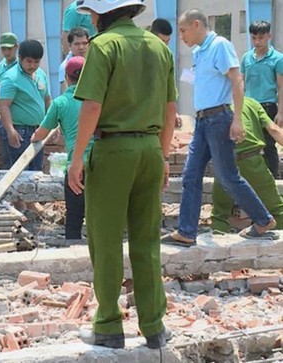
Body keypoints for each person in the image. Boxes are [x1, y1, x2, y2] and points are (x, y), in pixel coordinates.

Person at [66, 0, 177, 349]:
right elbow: (170, 108)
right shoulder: (159, 47)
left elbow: (93, 105)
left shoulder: (104, 45)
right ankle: (154, 326)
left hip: (114, 150)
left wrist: (77, 156)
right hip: (149, 149)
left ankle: (109, 326)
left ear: (102, 14)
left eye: (93, 14)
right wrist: (163, 154)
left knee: (107, 240)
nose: (93, 20)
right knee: (147, 241)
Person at [162, 9, 277, 247]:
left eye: (183, 30)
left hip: (219, 118)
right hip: (203, 121)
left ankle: (263, 220)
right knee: (190, 175)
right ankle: (186, 231)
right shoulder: (199, 52)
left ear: (196, 25)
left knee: (227, 176)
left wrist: (237, 120)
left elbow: (237, 80)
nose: (181, 36)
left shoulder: (220, 45)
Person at [31, 56, 91, 243]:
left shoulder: (60, 103)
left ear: (66, 77)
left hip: (76, 166)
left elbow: (41, 133)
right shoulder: (97, 101)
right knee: (99, 215)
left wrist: (34, 137)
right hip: (102, 162)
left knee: (74, 216)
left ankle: (73, 253)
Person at [212, 98, 283, 233]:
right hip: (252, 161)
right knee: (276, 209)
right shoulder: (251, 103)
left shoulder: (214, 105)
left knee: (220, 215)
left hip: (225, 161)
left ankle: (217, 247)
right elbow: (273, 129)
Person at [0, 39, 51, 171]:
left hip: (38, 131)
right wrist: (10, 131)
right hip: (19, 131)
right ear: (20, 58)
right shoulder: (10, 78)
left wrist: (51, 124)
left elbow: (47, 100)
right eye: (29, 61)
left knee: (36, 171)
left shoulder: (41, 75)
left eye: (36, 62)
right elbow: (4, 106)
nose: (32, 65)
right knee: (18, 173)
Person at [241, 21, 283, 177]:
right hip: (249, 107)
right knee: (249, 145)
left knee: (269, 144)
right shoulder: (246, 58)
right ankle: (252, 177)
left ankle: (272, 176)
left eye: (261, 38)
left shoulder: (278, 59)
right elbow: (241, 83)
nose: (257, 42)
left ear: (269, 36)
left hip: (268, 106)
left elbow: (281, 86)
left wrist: (281, 111)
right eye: (254, 38)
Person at [0, 32, 19, 168]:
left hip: (18, 119)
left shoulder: (20, 67)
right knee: (7, 159)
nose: (6, 52)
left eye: (9, 49)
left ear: (16, 47)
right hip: (5, 119)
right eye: (4, 49)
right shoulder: (2, 65)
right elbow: (0, 93)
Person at [58, 26, 89, 91]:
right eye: (77, 44)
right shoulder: (65, 66)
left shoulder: (95, 60)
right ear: (70, 46)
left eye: (84, 43)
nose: (81, 47)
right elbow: (65, 91)